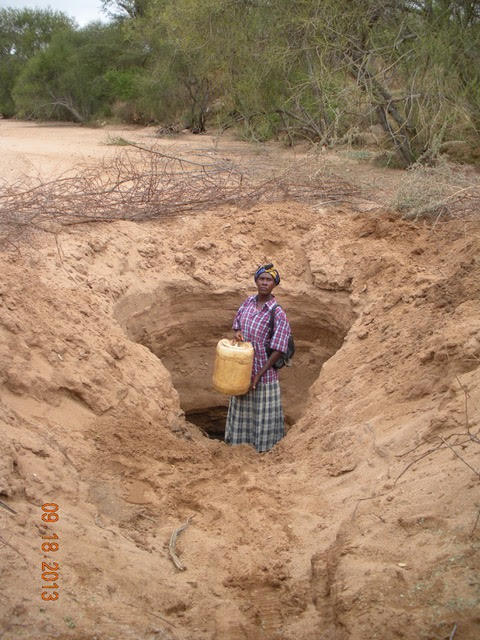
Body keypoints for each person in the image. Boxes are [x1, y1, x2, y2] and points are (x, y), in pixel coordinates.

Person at [224, 263, 291, 452]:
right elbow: (237, 323)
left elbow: (278, 348)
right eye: (261, 279)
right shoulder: (248, 303)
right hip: (242, 369)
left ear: (274, 285)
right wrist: (238, 332)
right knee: (242, 410)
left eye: (268, 280)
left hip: (265, 373)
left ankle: (265, 450)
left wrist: (258, 375)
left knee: (264, 414)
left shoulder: (277, 313)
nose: (264, 283)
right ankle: (238, 448)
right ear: (256, 280)